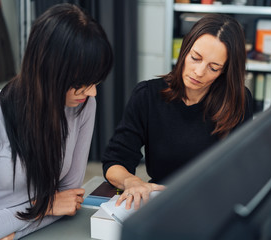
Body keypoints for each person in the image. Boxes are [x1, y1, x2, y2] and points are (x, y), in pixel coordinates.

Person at [0, 3, 113, 239]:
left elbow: (68, 200)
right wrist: (45, 207)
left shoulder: (83, 105)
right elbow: (56, 205)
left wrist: (15, 228)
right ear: (49, 71)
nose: (92, 92)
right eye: (83, 82)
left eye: (96, 81)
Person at [102, 14, 253, 210]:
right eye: (195, 58)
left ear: (225, 71)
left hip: (213, 204)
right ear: (184, 50)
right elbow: (115, 160)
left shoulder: (238, 101)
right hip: (162, 203)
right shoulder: (147, 96)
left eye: (213, 68)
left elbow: (243, 169)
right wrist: (132, 182)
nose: (199, 72)